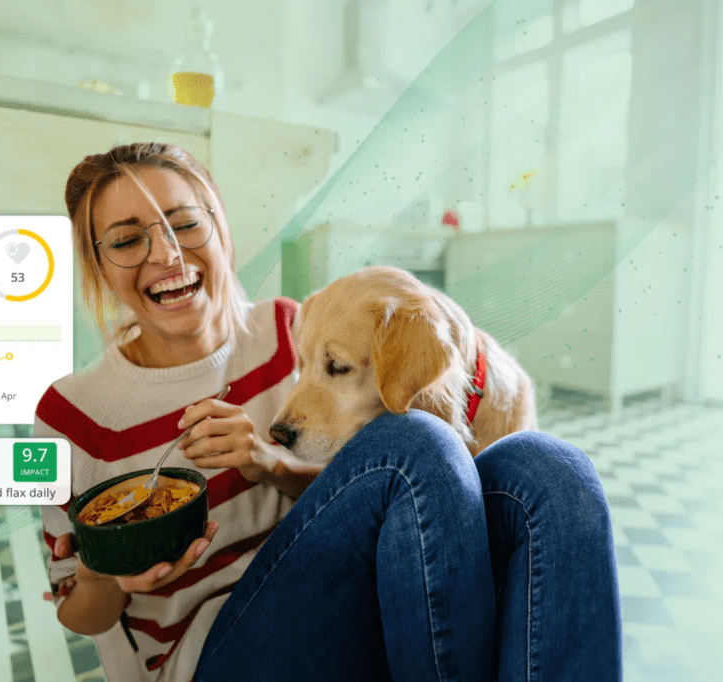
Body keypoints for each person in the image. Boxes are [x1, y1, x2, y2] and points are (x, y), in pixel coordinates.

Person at [35, 142, 622, 682]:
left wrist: (273, 465)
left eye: (185, 224)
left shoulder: (295, 327)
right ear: (97, 264)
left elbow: (371, 500)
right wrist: (100, 572)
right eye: (126, 239)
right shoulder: (72, 415)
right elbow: (79, 615)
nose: (165, 253)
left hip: (359, 597)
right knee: (417, 442)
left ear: (220, 230)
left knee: (551, 467)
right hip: (217, 653)